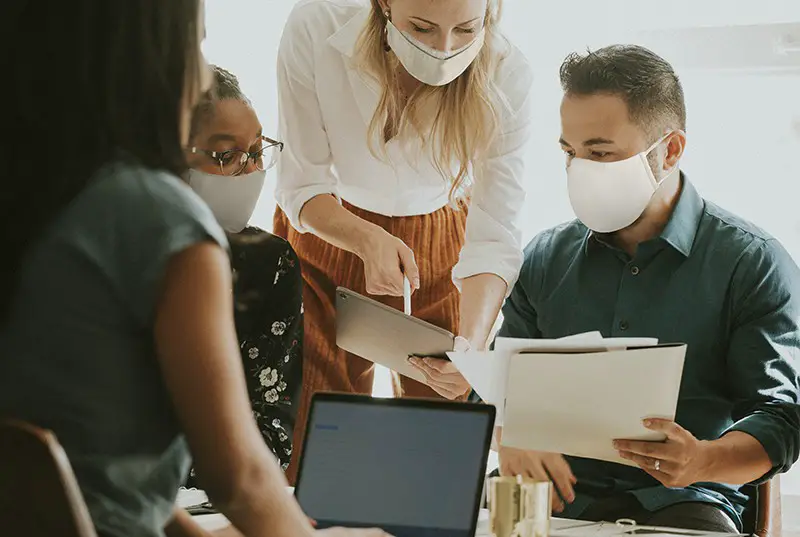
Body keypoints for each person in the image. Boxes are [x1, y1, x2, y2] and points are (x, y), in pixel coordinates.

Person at [0, 2, 386, 537]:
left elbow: (108, 480)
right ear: (146, 58)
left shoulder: (38, 198)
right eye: (196, 45)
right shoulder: (161, 220)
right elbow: (243, 483)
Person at [495, 45, 800, 533]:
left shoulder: (751, 263)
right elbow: (498, 383)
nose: (578, 170)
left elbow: (781, 419)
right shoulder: (545, 257)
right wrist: (508, 432)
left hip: (685, 502)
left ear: (670, 149)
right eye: (568, 153)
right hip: (549, 496)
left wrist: (702, 460)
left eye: (599, 152)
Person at [273, 0, 534, 481]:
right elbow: (301, 186)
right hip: (327, 233)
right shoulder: (317, 23)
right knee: (313, 451)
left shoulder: (508, 73)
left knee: (439, 460)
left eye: (466, 30)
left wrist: (472, 348)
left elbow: (494, 237)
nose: (444, 49)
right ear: (385, 4)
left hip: (444, 252)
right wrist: (364, 239)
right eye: (423, 27)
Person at [185, 65, 302, 477]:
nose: (251, 172)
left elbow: (273, 436)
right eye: (227, 156)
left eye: (256, 152)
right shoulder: (105, 256)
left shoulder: (270, 264)